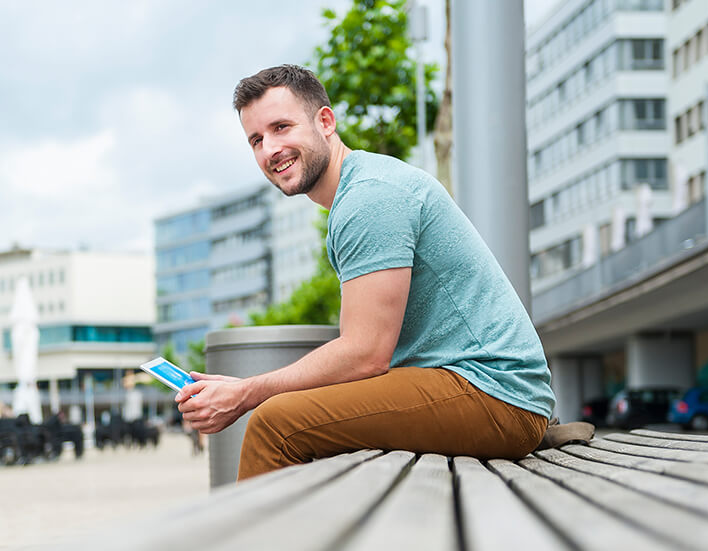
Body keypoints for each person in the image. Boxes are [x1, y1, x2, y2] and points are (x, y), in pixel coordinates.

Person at [176, 65, 579, 482]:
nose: (269, 149)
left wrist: (245, 394)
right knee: (297, 412)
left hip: (495, 395)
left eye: (281, 127)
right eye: (256, 140)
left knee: (274, 424)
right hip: (481, 389)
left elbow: (365, 354)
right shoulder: (360, 189)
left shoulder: (370, 197)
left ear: (326, 122)